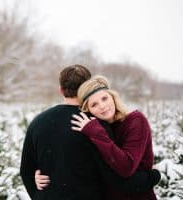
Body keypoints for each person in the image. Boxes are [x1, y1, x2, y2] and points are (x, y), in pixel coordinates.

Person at [20, 65, 160, 200]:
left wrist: (40, 195)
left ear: (61, 90)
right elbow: (117, 179)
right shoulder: (94, 125)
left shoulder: (38, 122)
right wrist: (153, 176)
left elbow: (26, 171)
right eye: (95, 103)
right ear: (87, 87)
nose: (101, 106)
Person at [70, 75, 158, 199]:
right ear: (88, 110)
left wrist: (95, 132)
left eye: (104, 98)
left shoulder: (135, 121)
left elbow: (127, 167)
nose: (102, 106)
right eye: (94, 104)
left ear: (113, 97)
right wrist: (38, 173)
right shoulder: (94, 129)